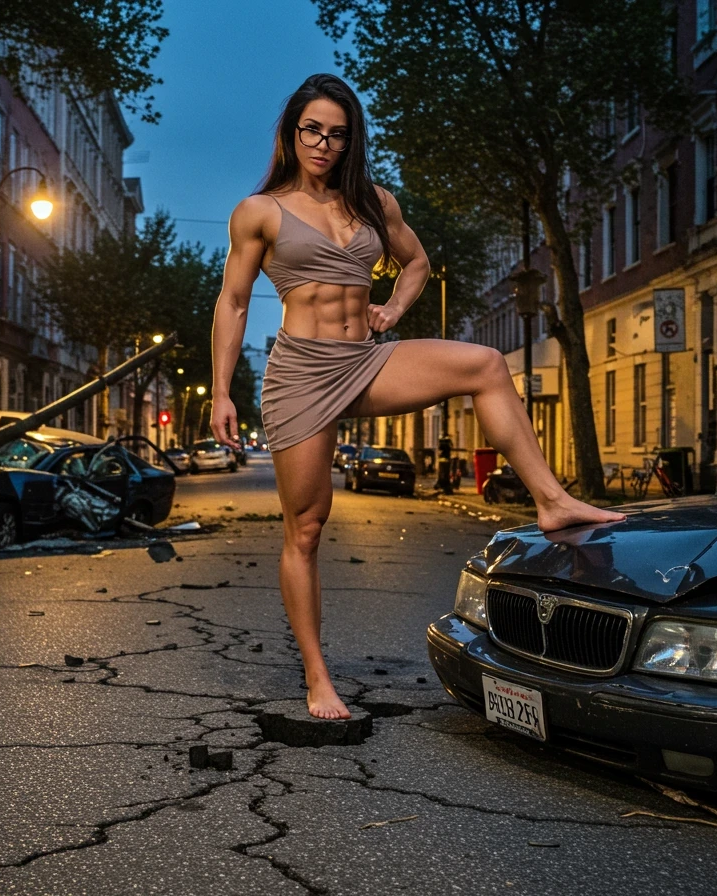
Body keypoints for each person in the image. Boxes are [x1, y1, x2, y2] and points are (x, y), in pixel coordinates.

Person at [209, 73, 624, 720]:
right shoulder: (259, 210)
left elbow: (417, 263)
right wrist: (219, 394)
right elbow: (233, 302)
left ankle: (551, 500)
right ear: (292, 133)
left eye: (337, 134)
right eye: (312, 129)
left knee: (486, 363)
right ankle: (318, 675)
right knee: (308, 527)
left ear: (351, 141)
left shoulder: (375, 202)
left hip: (364, 359)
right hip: (300, 374)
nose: (323, 143)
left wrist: (393, 309)